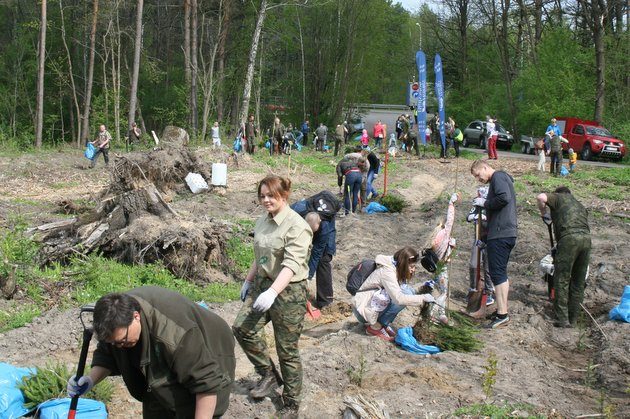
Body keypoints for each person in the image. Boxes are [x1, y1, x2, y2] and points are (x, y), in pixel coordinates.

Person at [67, 286, 235, 418]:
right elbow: (107, 355)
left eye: (122, 341)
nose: (119, 346)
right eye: (114, 343)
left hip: (211, 348)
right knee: (159, 404)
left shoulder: (174, 334)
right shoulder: (114, 323)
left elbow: (205, 384)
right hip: (164, 357)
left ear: (136, 317)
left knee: (188, 408)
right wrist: (89, 380)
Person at [233, 175, 312, 418]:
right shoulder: (262, 221)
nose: (266, 200)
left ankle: (291, 403)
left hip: (289, 292)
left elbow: (290, 265)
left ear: (284, 196)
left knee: (286, 349)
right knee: (242, 329)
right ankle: (268, 373)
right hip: (262, 283)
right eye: (262, 196)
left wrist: (273, 291)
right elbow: (260, 256)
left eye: (271, 196)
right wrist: (248, 281)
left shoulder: (297, 226)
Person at [470, 160, 517, 328]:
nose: (478, 178)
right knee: (500, 274)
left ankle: (502, 313)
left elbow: (504, 198)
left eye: (478, 174)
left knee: (497, 274)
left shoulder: (498, 177)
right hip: (503, 232)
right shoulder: (501, 179)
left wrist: (485, 203)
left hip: (501, 234)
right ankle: (501, 312)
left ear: (484, 167)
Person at [352, 247, 435, 342]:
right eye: (411, 267)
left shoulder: (395, 265)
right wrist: (423, 298)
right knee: (405, 294)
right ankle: (375, 327)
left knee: (408, 291)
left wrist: (423, 286)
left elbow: (405, 287)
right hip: (362, 310)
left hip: (369, 305)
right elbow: (399, 299)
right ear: (404, 263)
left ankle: (382, 324)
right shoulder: (388, 272)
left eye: (414, 267)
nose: (413, 270)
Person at [536, 187, 591, 327]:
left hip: (569, 240)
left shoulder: (559, 197)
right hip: (586, 240)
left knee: (561, 279)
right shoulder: (579, 204)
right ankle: (573, 319)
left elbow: (541, 197)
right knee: (578, 281)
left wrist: (544, 213)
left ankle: (562, 320)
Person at [420, 193, 460, 323]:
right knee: (444, 293)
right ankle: (433, 313)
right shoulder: (444, 234)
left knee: (440, 289)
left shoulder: (434, 237)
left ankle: (441, 313)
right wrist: (451, 204)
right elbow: (451, 220)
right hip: (441, 268)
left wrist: (451, 247)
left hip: (435, 266)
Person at [466, 186, 495, 304]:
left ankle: (489, 292)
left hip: (490, 240)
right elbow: (468, 217)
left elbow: (496, 219)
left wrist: (485, 218)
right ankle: (473, 288)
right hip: (478, 239)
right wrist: (476, 215)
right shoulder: (476, 206)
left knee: (488, 268)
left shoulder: (492, 206)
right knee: (473, 264)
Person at [302, 212, 336, 309]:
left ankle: (325, 301)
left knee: (323, 260)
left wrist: (309, 276)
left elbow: (317, 253)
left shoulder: (325, 227)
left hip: (327, 235)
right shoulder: (299, 214)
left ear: (319, 222)